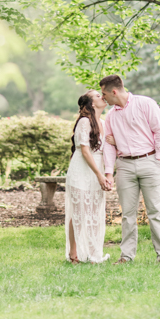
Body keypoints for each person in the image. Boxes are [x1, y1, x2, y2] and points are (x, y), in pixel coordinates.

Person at [100, 74, 160, 264]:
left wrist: (159, 159)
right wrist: (109, 172)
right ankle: (126, 256)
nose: (103, 98)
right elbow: (108, 145)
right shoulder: (111, 116)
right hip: (124, 166)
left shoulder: (146, 104)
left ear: (114, 91)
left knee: (156, 210)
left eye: (104, 93)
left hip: (149, 161)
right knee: (127, 214)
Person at [65, 90, 112, 264]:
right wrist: (99, 175)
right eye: (98, 96)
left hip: (97, 169)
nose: (103, 96)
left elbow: (107, 148)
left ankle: (94, 253)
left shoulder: (103, 122)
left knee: (94, 211)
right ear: (92, 104)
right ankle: (73, 253)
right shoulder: (84, 122)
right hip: (81, 170)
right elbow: (85, 150)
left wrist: (106, 173)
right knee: (79, 212)